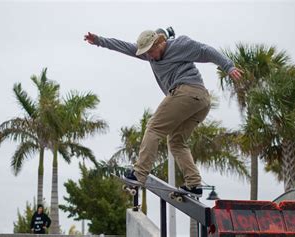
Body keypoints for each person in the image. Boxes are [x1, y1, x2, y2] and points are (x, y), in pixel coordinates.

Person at [84, 29, 242, 196]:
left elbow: (207, 51)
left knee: (154, 128)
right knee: (176, 141)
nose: (150, 56)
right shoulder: (148, 54)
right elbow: (124, 47)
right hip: (200, 102)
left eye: (152, 51)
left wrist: (228, 66)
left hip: (188, 92)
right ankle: (194, 183)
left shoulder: (181, 45)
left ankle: (139, 174)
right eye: (147, 53)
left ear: (160, 42)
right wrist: (99, 40)